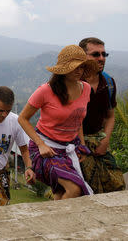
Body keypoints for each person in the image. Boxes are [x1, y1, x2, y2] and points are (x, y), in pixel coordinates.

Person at [18, 45, 99, 200]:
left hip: (69, 147)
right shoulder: (45, 91)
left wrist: (81, 145)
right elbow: (22, 118)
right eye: (74, 67)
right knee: (74, 189)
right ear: (63, 69)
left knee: (62, 192)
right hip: (45, 149)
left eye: (82, 67)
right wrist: (41, 144)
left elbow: (78, 119)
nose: (79, 71)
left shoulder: (86, 89)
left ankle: (57, 222)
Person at [79, 37, 125, 193]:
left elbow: (110, 116)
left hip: (98, 141)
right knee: (88, 190)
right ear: (82, 56)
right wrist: (81, 146)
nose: (101, 58)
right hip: (75, 145)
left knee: (116, 184)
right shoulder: (73, 82)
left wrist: (105, 141)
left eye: (104, 54)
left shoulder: (108, 83)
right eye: (95, 54)